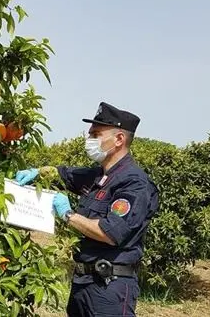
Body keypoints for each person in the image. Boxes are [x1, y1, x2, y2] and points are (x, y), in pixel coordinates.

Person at [15, 102, 159, 317]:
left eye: (96, 134)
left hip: (110, 287)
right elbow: (63, 173)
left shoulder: (134, 183)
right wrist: (39, 172)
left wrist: (68, 214)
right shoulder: (99, 175)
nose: (89, 140)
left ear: (119, 139)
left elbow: (110, 233)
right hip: (83, 282)